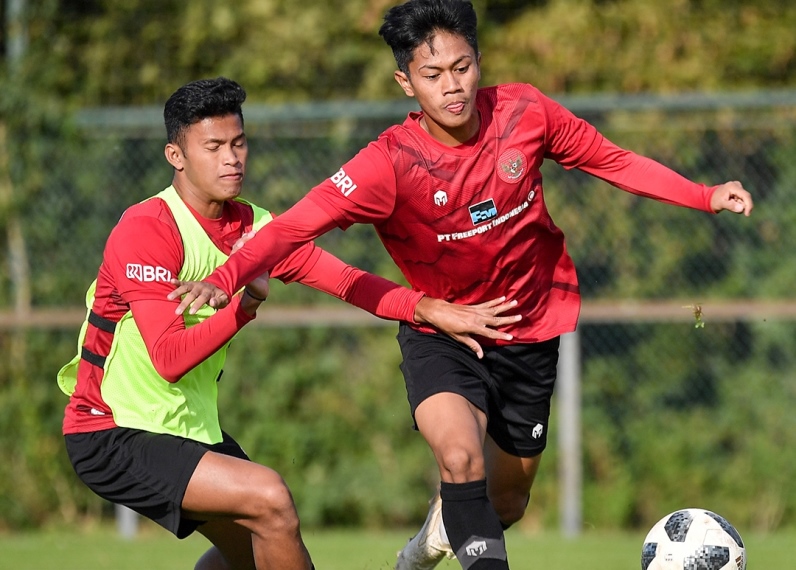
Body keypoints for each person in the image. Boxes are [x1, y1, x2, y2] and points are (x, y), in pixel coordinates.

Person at [169, 2, 755, 568]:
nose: (452, 86)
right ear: (406, 83)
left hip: (529, 330)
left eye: (462, 67)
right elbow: (294, 225)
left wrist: (704, 195)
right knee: (458, 457)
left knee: (507, 502)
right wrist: (226, 278)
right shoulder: (388, 163)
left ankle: (430, 540)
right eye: (432, 75)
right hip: (443, 330)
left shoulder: (525, 114)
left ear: (478, 62)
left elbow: (611, 159)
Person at [57, 76, 522, 570]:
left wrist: (427, 308)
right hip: (111, 429)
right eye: (213, 147)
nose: (231, 158)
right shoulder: (148, 228)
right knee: (272, 499)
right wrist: (244, 308)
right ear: (176, 156)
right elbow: (169, 360)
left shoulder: (256, 227)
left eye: (238, 143)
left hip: (185, 426)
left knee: (254, 554)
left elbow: (346, 281)